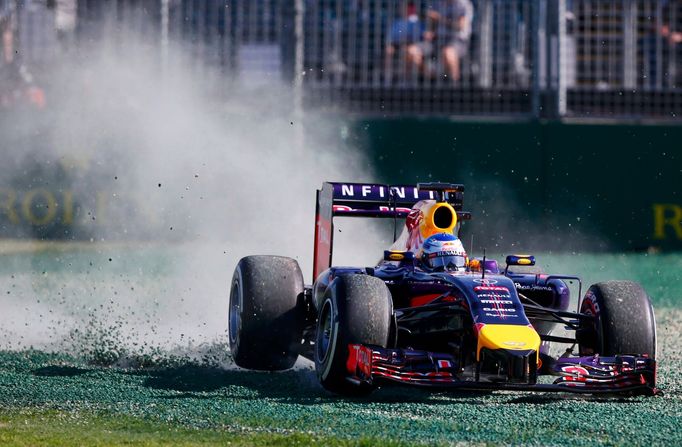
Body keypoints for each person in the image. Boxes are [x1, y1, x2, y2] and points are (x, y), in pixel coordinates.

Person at [424, 0, 473, 83]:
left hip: (457, 40)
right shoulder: (437, 3)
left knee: (448, 53)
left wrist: (439, 18)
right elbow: (431, 25)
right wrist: (430, 32)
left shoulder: (463, 4)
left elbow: (461, 26)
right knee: (412, 52)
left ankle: (454, 85)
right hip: (437, 40)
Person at [384, 2, 425, 81]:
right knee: (388, 50)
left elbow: (420, 35)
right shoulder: (397, 22)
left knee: (412, 51)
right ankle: (387, 79)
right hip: (398, 45)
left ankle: (409, 79)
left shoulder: (417, 21)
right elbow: (390, 37)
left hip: (414, 45)